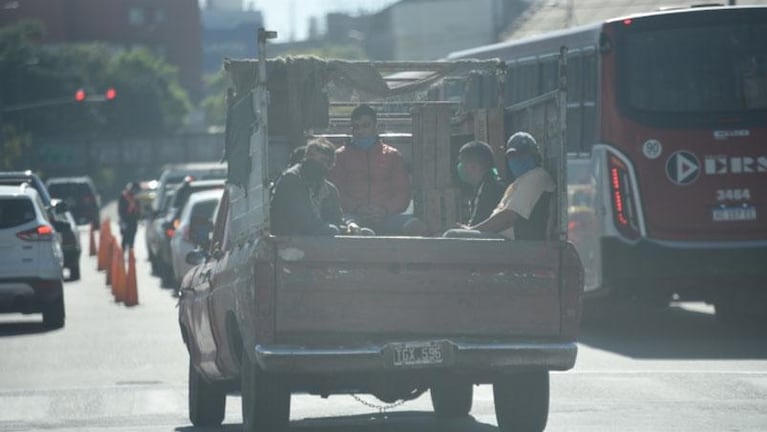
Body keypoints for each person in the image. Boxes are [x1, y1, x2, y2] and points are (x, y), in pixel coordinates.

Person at [329, 104, 426, 236]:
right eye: (356, 127)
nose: (360, 131)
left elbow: (403, 193)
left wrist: (384, 209)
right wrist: (358, 208)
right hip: (352, 215)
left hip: (387, 216)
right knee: (349, 228)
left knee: (416, 226)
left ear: (376, 127)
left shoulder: (393, 155)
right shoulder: (340, 156)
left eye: (365, 125)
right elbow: (335, 192)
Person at [444, 132, 555, 240]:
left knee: (452, 236)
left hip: (516, 243)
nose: (517, 159)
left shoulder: (536, 177)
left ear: (534, 154)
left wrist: (472, 230)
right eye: (512, 155)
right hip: (502, 239)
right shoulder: (520, 181)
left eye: (522, 153)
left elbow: (508, 218)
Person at [270, 138, 363, 236]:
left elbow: (336, 219)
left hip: (318, 241)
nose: (314, 162)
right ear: (305, 157)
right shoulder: (291, 179)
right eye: (311, 156)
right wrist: (335, 229)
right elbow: (302, 223)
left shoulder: (330, 190)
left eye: (322, 160)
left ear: (329, 166)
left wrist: (350, 225)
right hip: (289, 242)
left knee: (364, 233)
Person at [454, 140, 506, 226]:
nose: (460, 166)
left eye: (462, 162)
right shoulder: (492, 183)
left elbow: (475, 229)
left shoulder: (487, 188)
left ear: (474, 166)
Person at [118, 182, 141, 250]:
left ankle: (131, 253)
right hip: (125, 220)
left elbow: (138, 208)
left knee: (132, 237)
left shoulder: (135, 197)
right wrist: (122, 219)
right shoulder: (124, 196)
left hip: (133, 220)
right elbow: (120, 209)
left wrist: (139, 216)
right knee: (125, 237)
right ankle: (122, 253)